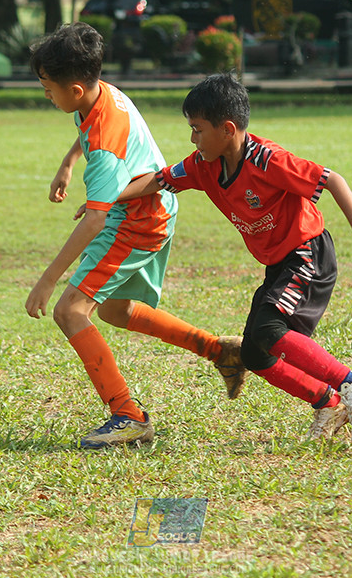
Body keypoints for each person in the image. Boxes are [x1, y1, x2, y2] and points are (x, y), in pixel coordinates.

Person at [118, 73, 352, 444]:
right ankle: (328, 403)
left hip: (307, 254)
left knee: (267, 331)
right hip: (279, 264)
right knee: (254, 351)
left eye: (197, 129)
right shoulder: (202, 165)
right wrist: (104, 202)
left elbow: (330, 179)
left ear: (227, 129)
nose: (192, 139)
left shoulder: (268, 160)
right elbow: (158, 180)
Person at [24, 24, 246, 449]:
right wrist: (69, 162)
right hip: (150, 210)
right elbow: (85, 128)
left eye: (47, 88)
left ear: (73, 87)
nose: (46, 95)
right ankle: (220, 351)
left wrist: (47, 280)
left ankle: (128, 415)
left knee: (70, 311)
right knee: (114, 311)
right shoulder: (99, 92)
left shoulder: (106, 147)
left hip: (138, 221)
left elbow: (93, 223)